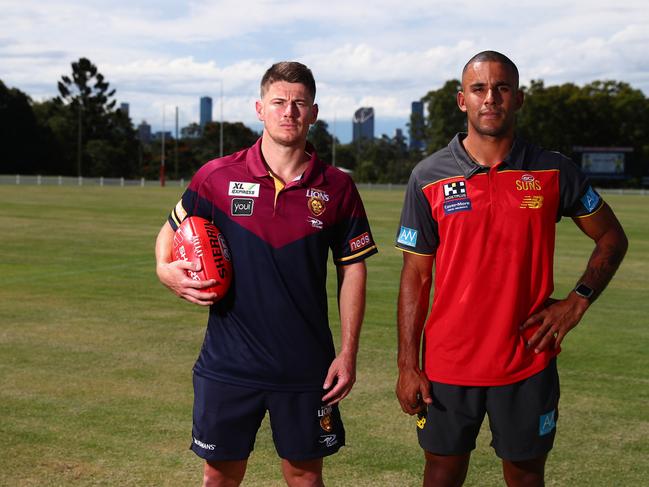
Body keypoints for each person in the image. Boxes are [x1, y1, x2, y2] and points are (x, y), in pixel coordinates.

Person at [395, 50, 628, 487]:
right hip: (447, 365)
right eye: (479, 88)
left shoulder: (554, 170)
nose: (490, 98)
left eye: (502, 88)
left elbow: (612, 238)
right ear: (461, 99)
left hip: (528, 360)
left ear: (518, 98)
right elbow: (416, 276)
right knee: (441, 474)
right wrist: (408, 364)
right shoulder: (428, 176)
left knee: (525, 477)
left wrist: (578, 302)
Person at [155, 61, 377, 487]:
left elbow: (353, 271)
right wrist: (166, 271)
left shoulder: (337, 188)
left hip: (306, 365)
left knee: (305, 477)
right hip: (228, 363)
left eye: (299, 103)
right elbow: (169, 231)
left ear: (313, 112)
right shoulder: (216, 177)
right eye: (279, 102)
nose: (288, 111)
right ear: (260, 108)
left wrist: (347, 353)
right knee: (219, 475)